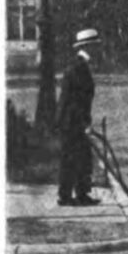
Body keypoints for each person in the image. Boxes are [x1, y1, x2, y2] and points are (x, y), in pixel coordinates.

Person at [56, 29, 101, 206]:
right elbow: (74, 101)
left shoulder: (82, 65)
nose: (98, 49)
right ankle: (66, 196)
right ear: (87, 46)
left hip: (74, 120)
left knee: (82, 158)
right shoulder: (77, 68)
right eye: (95, 46)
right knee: (71, 159)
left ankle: (81, 195)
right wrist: (84, 124)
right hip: (70, 122)